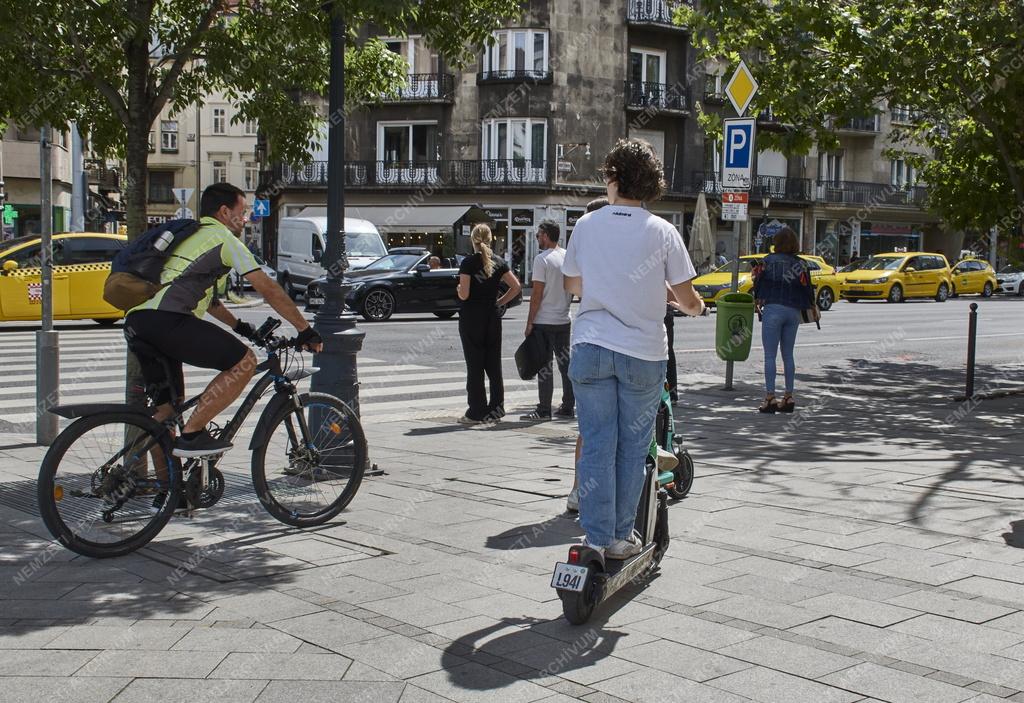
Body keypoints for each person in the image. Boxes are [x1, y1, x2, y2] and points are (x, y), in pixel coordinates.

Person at [562, 139, 705, 557]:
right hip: (642, 354)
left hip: (590, 346)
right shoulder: (663, 231)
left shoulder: (587, 226)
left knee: (596, 442)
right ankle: (621, 538)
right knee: (631, 448)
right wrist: (688, 307)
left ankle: (595, 537)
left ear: (613, 178)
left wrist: (609, 286)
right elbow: (687, 296)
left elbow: (572, 284)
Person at [124, 183, 323, 465]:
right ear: (224, 211)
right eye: (242, 213)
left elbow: (209, 301)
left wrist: (240, 326)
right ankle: (193, 434)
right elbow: (268, 288)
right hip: (167, 318)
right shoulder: (222, 238)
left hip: (138, 321)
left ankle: (170, 493)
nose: (245, 219)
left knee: (165, 415)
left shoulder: (191, 236)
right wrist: (305, 329)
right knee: (244, 362)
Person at [456, 224, 522, 424]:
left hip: (471, 318)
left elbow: (465, 294)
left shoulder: (468, 263)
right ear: (491, 239)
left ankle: (476, 411)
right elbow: (516, 286)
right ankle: (496, 407)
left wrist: (459, 288)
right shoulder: (499, 262)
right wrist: (500, 302)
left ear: (473, 240)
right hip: (492, 317)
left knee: (474, 364)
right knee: (493, 364)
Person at [566, 197, 608, 514]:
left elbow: (573, 287)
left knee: (588, 428)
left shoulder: (584, 248)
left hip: (585, 340)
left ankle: (579, 490)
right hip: (618, 346)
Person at [751, 226, 814, 414]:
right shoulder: (801, 264)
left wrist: (758, 299)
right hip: (792, 311)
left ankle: (770, 398)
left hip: (773, 309)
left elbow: (758, 283)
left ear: (776, 243)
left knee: (770, 355)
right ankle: (788, 396)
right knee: (788, 354)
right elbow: (807, 289)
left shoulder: (767, 261)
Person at [521, 220, 574, 421]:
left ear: (546, 235)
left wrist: (529, 323)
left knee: (545, 366)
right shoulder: (569, 256)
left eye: (538, 235)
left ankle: (544, 409)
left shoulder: (542, 260)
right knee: (565, 365)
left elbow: (536, 294)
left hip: (544, 320)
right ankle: (568, 406)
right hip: (563, 320)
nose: (537, 239)